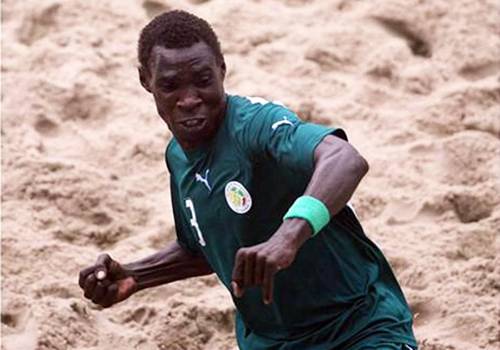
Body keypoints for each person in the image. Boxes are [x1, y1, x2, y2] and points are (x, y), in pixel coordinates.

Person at [78, 10, 418, 350]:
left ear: (222, 70)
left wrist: (288, 236)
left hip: (358, 328)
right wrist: (137, 275)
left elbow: (345, 158)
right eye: (170, 85)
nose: (189, 99)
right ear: (145, 81)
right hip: (271, 342)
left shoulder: (254, 125)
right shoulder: (178, 157)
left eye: (203, 79)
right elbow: (203, 248)